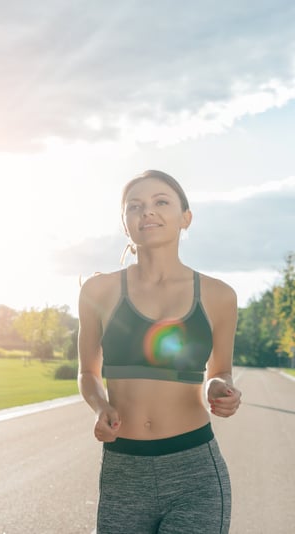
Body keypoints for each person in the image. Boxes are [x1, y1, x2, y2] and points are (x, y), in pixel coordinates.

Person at [77, 169, 242, 534]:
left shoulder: (219, 295)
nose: (147, 211)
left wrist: (219, 387)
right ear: (125, 224)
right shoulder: (98, 291)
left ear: (186, 218)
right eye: (135, 206)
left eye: (160, 202)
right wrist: (101, 406)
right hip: (123, 472)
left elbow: (221, 370)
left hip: (195, 472)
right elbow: (88, 372)